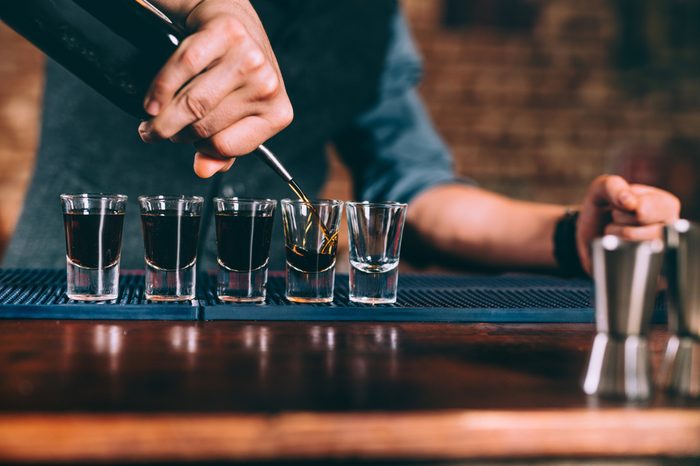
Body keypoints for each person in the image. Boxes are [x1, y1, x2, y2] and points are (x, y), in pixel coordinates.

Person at [3, 0, 680, 275]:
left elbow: (413, 191)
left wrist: (571, 237)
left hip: (266, 348)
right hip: (62, 308)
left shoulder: (371, 19)